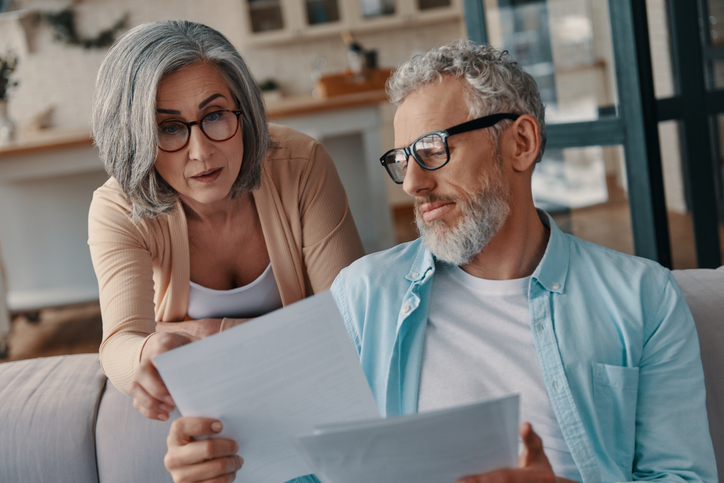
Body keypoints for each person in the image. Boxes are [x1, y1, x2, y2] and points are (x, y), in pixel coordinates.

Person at [162, 39, 718, 483]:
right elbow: (310, 471)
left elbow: (682, 476)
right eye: (402, 159)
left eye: (432, 150)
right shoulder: (363, 296)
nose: (412, 183)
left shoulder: (643, 298)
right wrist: (224, 471)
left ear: (521, 143)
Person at [88, 20, 364, 423]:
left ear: (244, 111)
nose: (201, 152)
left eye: (215, 115)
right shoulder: (117, 208)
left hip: (315, 393)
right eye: (169, 127)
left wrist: (200, 333)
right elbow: (119, 347)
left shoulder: (301, 164)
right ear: (135, 137)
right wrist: (149, 350)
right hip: (215, 410)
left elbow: (351, 325)